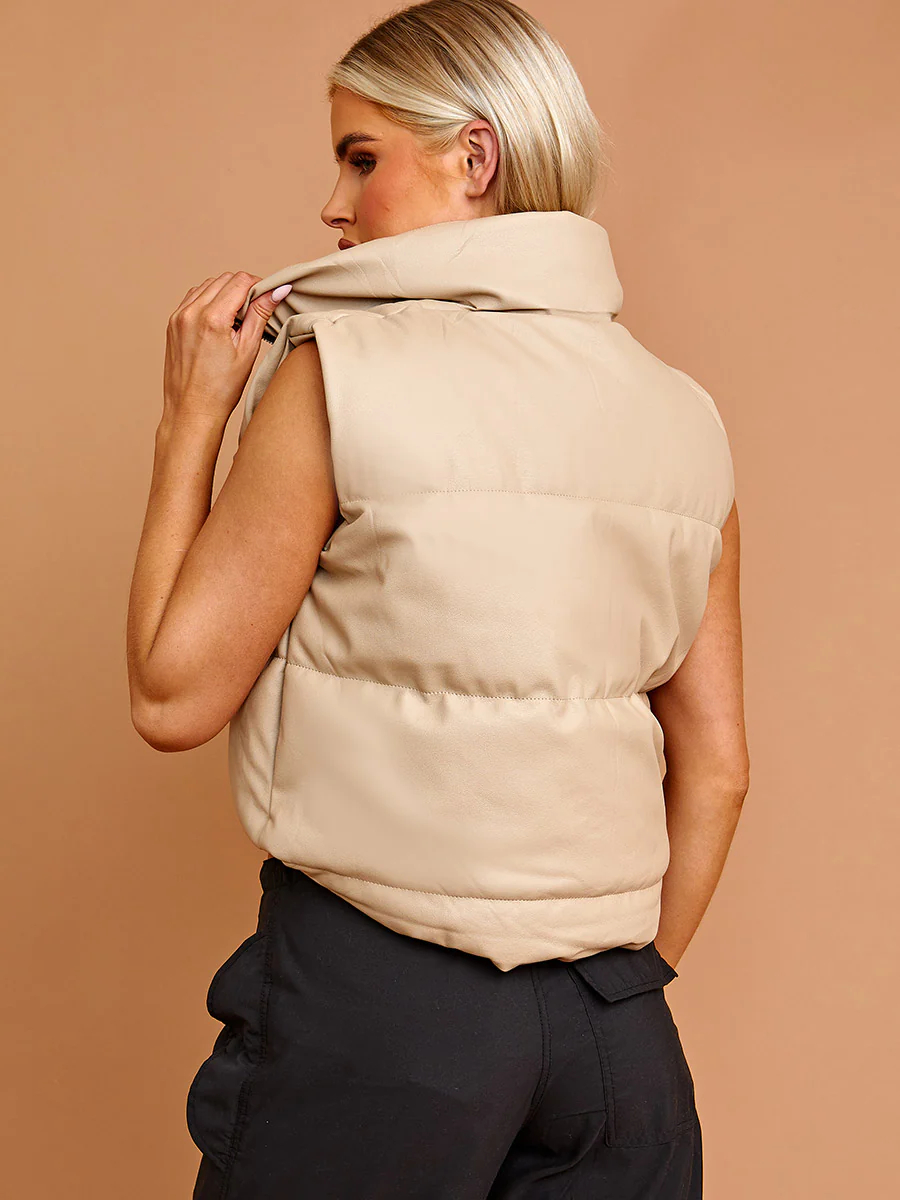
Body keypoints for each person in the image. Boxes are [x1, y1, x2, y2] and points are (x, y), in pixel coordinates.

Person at [127, 2, 749, 1196]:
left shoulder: (341, 376)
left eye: (361, 157)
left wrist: (190, 416)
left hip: (379, 1019)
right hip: (616, 1041)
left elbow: (170, 694)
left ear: (475, 158)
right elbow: (718, 769)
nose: (334, 205)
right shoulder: (686, 417)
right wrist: (611, 990)